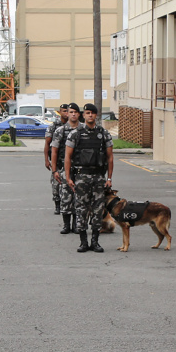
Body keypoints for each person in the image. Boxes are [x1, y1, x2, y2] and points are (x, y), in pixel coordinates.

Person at [65, 103, 114, 253]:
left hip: (98, 177)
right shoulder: (75, 134)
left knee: (98, 210)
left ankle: (95, 242)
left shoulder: (103, 134)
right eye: (87, 113)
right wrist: (68, 177)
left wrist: (109, 178)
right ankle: (83, 242)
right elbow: (68, 156)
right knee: (81, 209)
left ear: (96, 115)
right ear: (83, 115)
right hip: (81, 177)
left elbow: (110, 157)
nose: (90, 115)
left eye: (93, 113)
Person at [51, 103, 82, 234]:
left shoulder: (84, 129)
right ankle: (66, 225)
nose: (73, 114)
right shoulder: (60, 130)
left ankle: (76, 224)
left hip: (81, 169)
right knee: (66, 197)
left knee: (78, 197)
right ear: (67, 114)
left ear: (79, 114)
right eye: (71, 112)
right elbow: (54, 151)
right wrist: (54, 170)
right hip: (65, 168)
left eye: (76, 112)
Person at [44, 104, 69, 216]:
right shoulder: (54, 127)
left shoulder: (73, 126)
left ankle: (68, 205)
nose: (66, 113)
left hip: (69, 161)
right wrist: (46, 160)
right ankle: (57, 205)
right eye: (64, 111)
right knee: (56, 184)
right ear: (60, 112)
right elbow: (47, 144)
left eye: (68, 111)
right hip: (57, 160)